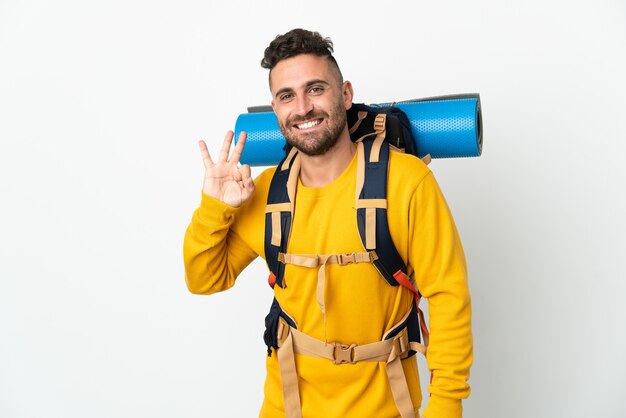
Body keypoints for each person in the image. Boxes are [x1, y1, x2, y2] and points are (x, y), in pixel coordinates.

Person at [183, 28, 472, 418]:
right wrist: (214, 208)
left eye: (315, 88)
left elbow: (449, 301)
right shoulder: (266, 192)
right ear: (275, 110)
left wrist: (446, 407)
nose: (302, 107)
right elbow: (203, 278)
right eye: (287, 96)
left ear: (346, 94)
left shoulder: (406, 183)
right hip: (286, 407)